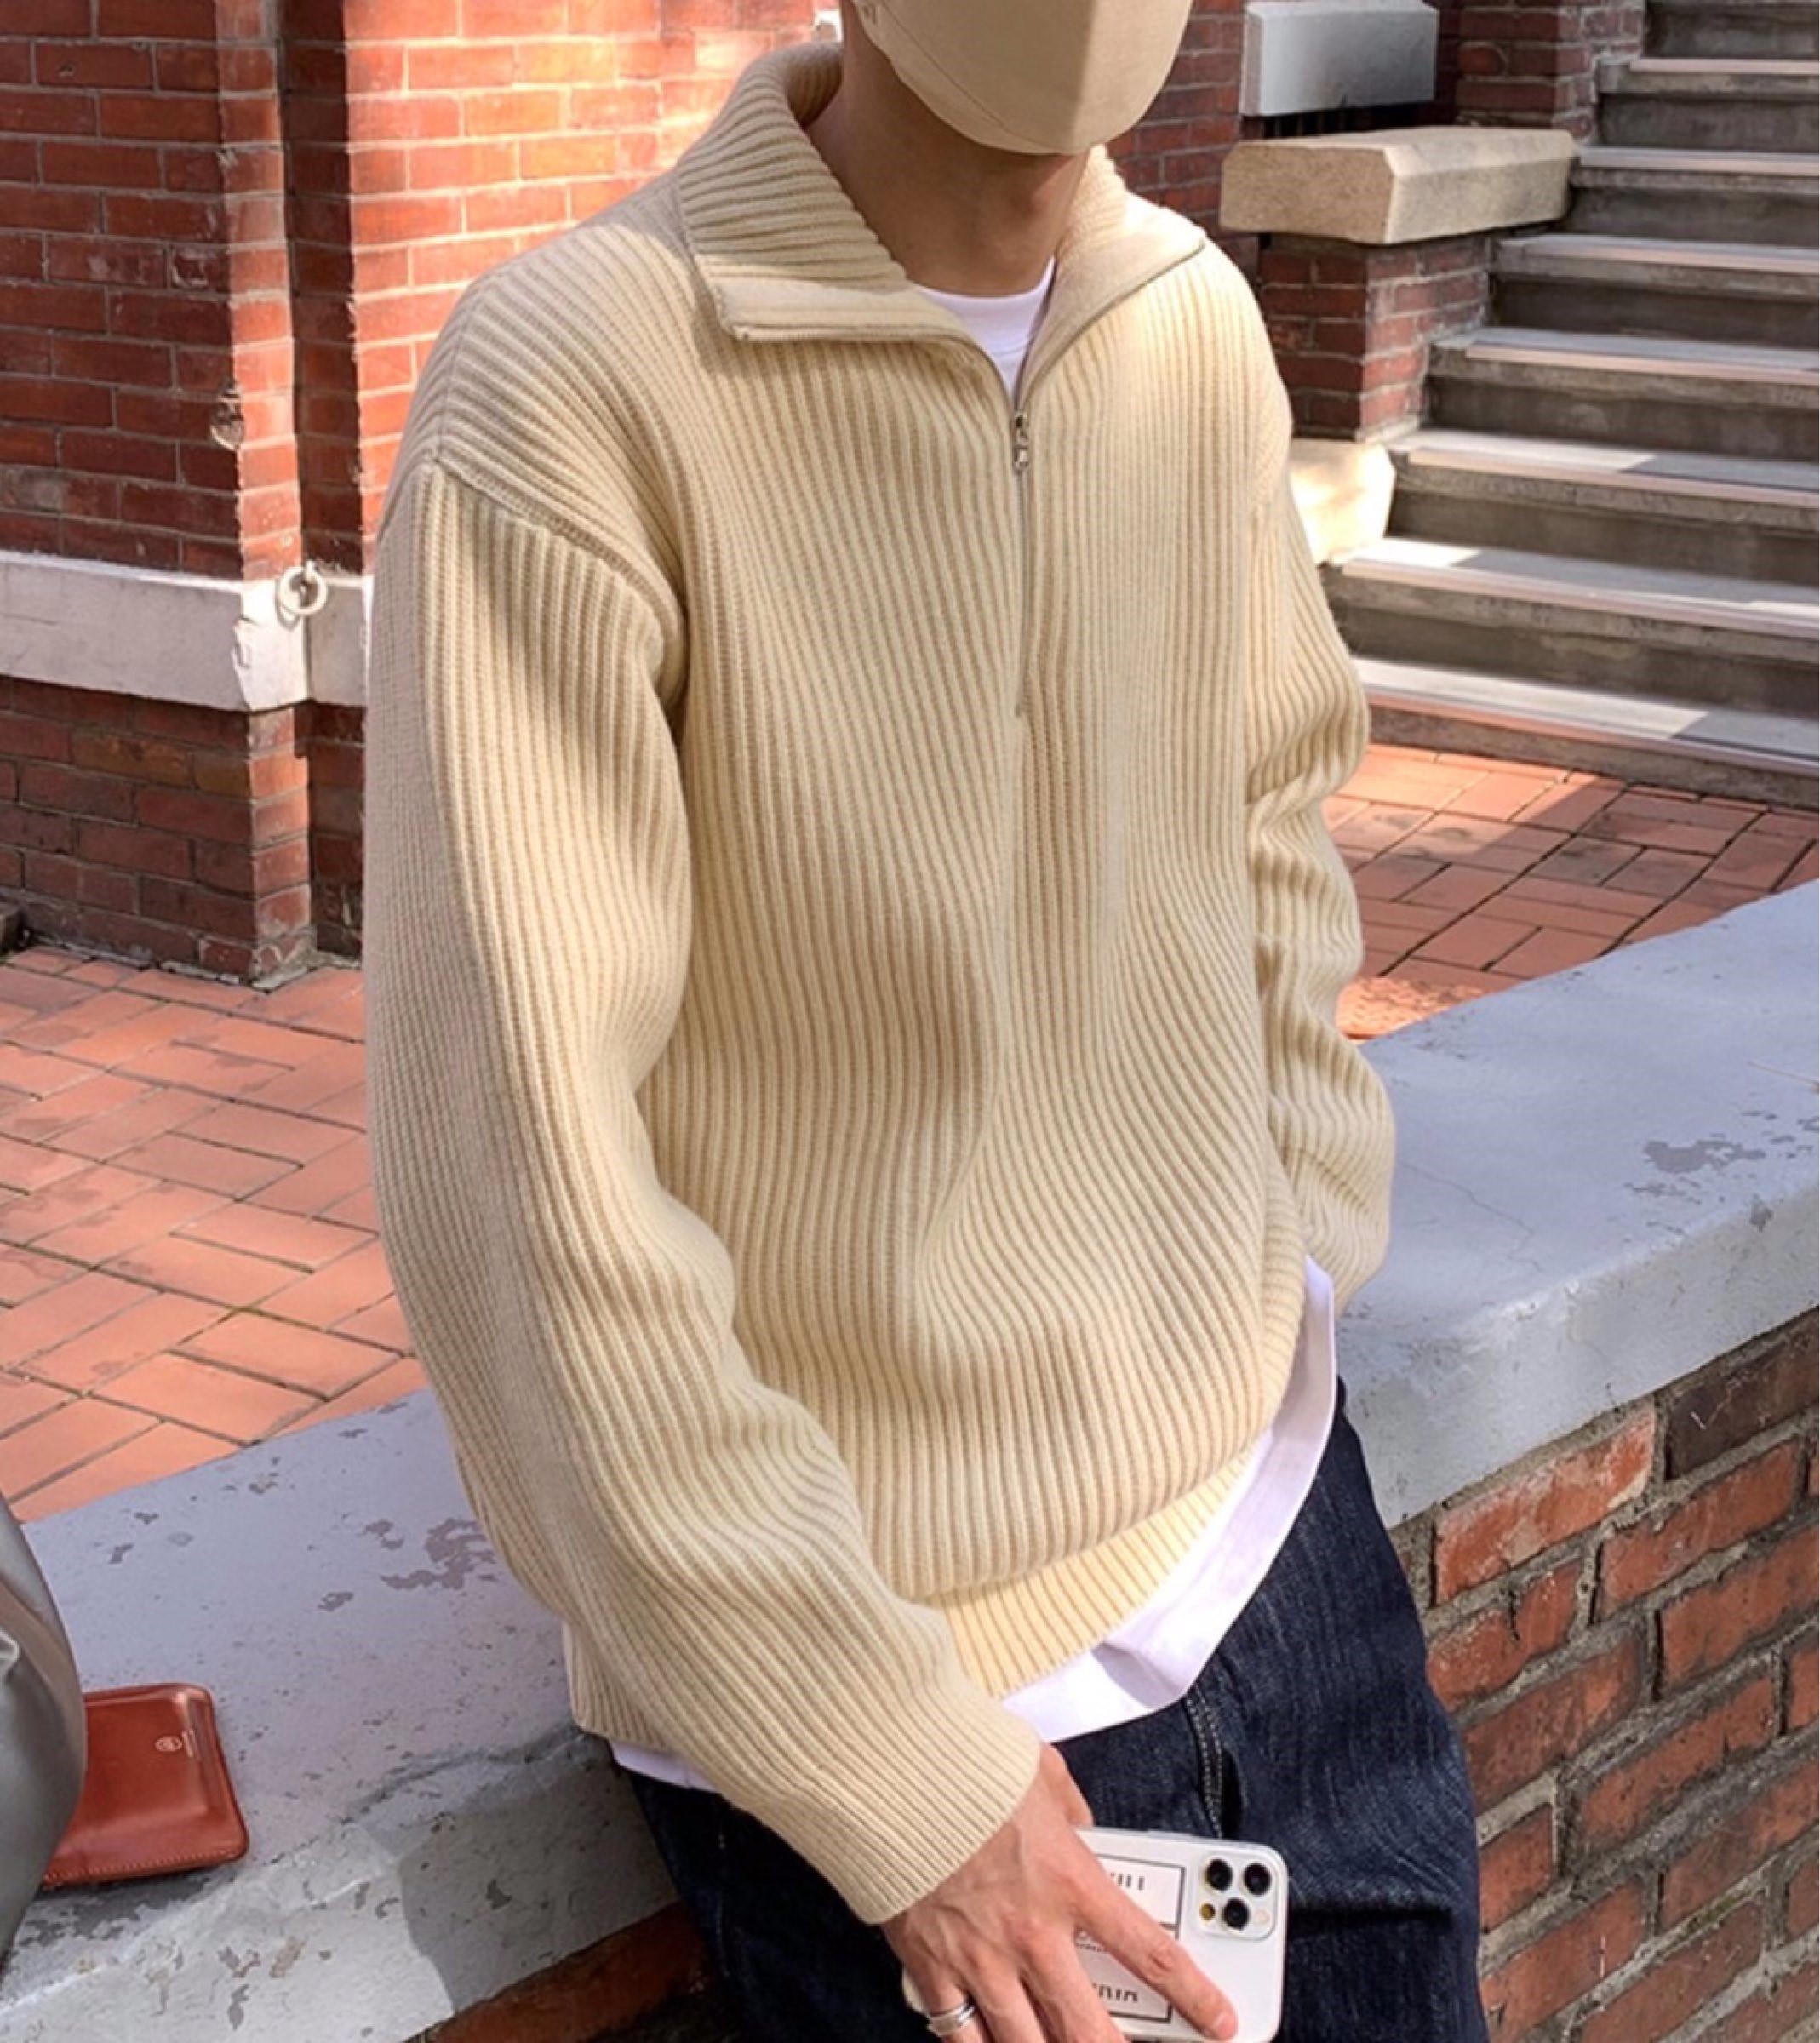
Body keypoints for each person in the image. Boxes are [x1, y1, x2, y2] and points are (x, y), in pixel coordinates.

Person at [362, 3, 1490, 2039]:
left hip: (1279, 1551)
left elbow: (1267, 817)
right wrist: (886, 1769)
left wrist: (1299, 1246)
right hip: (909, 1718)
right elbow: (523, 1168)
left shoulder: (1189, 320)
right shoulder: (580, 381)